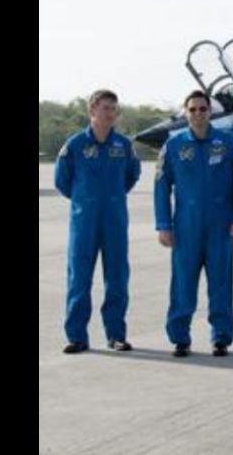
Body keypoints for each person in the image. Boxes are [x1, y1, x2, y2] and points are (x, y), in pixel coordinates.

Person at [154, 90, 233, 357]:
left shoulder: (228, 143)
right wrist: (163, 224)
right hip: (186, 226)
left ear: (211, 112)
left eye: (203, 109)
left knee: (221, 282)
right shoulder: (173, 145)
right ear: (186, 112)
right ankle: (180, 337)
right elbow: (161, 186)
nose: (198, 113)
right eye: (193, 109)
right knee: (183, 282)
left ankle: (221, 337)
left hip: (221, 226)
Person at [55, 89, 141, 354]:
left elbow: (132, 175)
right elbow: (62, 181)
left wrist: (112, 198)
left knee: (116, 278)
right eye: (104, 108)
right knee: (79, 278)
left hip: (114, 220)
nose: (109, 113)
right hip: (85, 222)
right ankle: (77, 336)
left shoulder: (123, 146)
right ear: (92, 111)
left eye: (113, 109)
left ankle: (115, 335)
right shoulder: (75, 145)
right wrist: (85, 201)